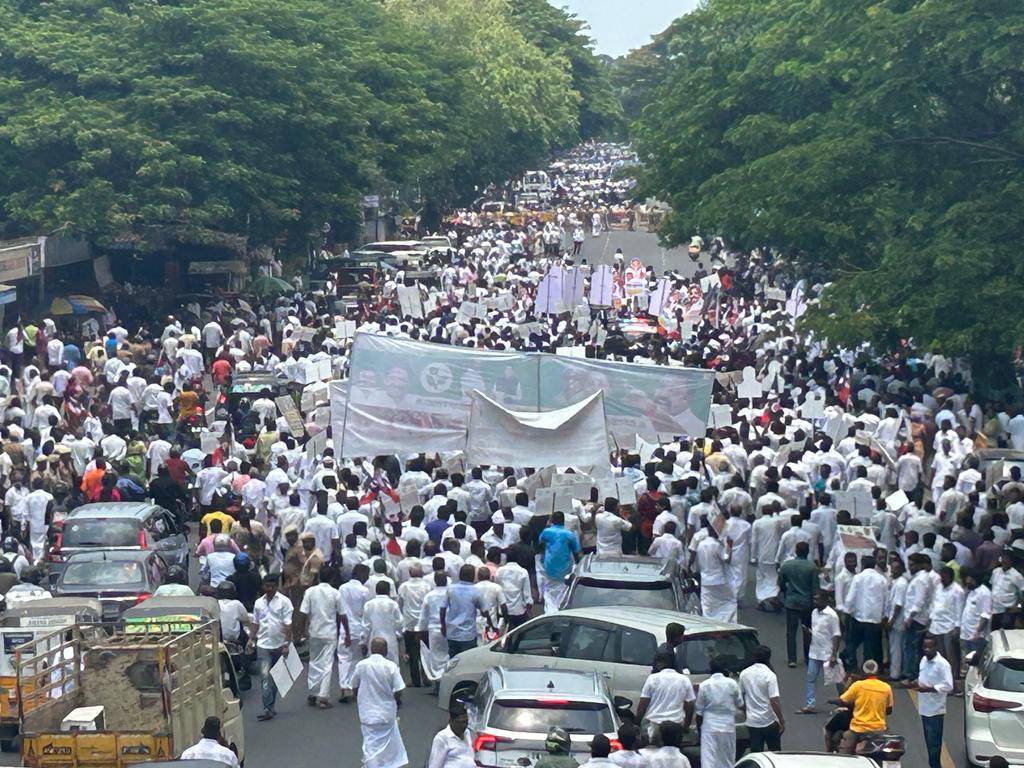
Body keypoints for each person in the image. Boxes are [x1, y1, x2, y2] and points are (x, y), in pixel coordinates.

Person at [352, 637, 408, 768]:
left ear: (371, 649)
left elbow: (354, 686)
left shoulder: (361, 665)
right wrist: (395, 700)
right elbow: (399, 689)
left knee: (370, 745)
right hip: (386, 713)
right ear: (386, 650)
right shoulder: (391, 666)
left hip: (367, 713)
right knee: (387, 745)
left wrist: (359, 699)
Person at [299, 565, 348, 709]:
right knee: (327, 664)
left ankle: (313, 693)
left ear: (319, 577)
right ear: (332, 578)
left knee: (314, 661)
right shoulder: (335, 593)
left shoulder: (310, 592)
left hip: (314, 632)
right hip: (330, 633)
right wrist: (347, 633)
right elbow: (342, 615)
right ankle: (323, 697)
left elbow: (303, 613)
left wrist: (302, 631)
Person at [250, 574, 293, 721]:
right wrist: (251, 639)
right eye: (266, 586)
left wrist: (286, 644)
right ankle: (267, 708)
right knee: (265, 677)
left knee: (276, 677)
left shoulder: (285, 602)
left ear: (276, 587)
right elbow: (256, 622)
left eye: (272, 586)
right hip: (263, 645)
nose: (269, 589)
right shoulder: (258, 603)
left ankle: (271, 706)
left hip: (279, 646)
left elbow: (288, 625)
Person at [909, 636, 953, 768]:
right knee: (929, 742)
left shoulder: (942, 664)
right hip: (924, 708)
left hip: (935, 710)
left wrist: (929, 689)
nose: (927, 650)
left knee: (934, 744)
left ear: (936, 647)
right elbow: (924, 678)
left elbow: (949, 686)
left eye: (930, 647)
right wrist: (916, 683)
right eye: (925, 647)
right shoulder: (923, 660)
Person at [831, 660, 894, 754]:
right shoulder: (886, 687)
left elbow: (843, 700)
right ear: (877, 672)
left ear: (862, 672)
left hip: (858, 729)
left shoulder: (858, 685)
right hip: (879, 729)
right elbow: (889, 710)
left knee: (843, 755)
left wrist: (831, 700)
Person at [693, 655, 743, 768]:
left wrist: (699, 729)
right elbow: (740, 704)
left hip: (709, 727)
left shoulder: (705, 685)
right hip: (728, 726)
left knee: (708, 759)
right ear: (725, 669)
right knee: (727, 759)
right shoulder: (732, 684)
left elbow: (699, 712)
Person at [777, 540, 818, 668]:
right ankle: (807, 657)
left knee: (791, 632)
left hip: (791, 602)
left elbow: (781, 583)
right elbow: (815, 588)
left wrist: (786, 592)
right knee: (807, 631)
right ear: (807, 552)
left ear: (796, 551)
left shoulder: (787, 565)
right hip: (807, 603)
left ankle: (792, 659)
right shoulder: (812, 567)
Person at [800, 590, 842, 714]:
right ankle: (810, 704)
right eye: (814, 599)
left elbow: (836, 635)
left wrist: (834, 654)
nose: (815, 602)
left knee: (837, 679)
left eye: (818, 599)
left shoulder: (832, 615)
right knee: (811, 677)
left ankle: (844, 702)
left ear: (825, 600)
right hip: (814, 651)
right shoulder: (814, 613)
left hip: (828, 652)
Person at [636, 651, 695, 736]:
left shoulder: (652, 679)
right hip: (676, 726)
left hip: (655, 725)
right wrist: (686, 726)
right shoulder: (684, 680)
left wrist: (637, 723)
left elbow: (643, 704)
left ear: (659, 663)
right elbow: (690, 705)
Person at [738, 645, 784, 752]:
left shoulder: (744, 674)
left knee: (756, 753)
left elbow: (740, 698)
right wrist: (781, 720)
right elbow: (774, 701)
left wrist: (746, 712)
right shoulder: (770, 675)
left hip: (752, 722)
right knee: (775, 752)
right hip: (769, 721)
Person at [440, 564, 488, 657]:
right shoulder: (476, 591)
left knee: (453, 661)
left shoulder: (450, 589)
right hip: (468, 634)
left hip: (452, 632)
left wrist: (443, 625)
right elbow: (485, 611)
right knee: (468, 662)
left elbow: (442, 608)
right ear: (473, 576)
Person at [427, 704, 475, 768]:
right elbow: (434, 765)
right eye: (460, 722)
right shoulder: (442, 738)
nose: (464, 725)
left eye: (466, 722)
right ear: (451, 721)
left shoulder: (467, 733)